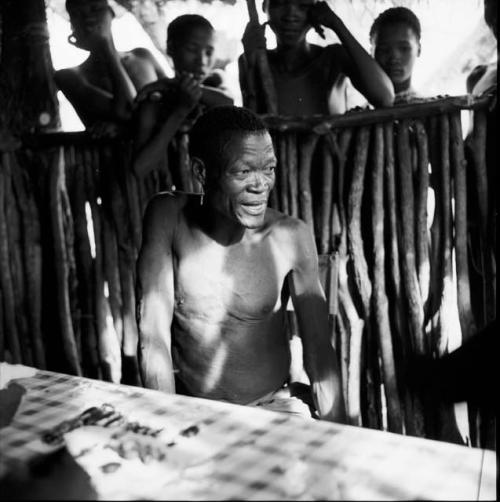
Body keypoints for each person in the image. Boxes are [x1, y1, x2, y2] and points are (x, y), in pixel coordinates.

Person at [136, 105, 346, 422]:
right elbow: (153, 338)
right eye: (243, 171)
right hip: (192, 410)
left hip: (273, 409)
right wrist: (168, 424)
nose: (260, 185)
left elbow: (318, 350)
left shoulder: (291, 237)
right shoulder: (169, 218)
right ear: (202, 172)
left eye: (269, 169)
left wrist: (339, 436)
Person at [239, 0, 394, 116]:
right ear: (265, 7)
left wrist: (337, 25)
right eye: (280, 2)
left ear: (316, 11)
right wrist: (251, 62)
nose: (290, 15)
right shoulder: (253, 60)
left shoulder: (334, 58)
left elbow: (385, 98)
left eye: (302, 5)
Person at [132, 15, 233, 180]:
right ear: (171, 48)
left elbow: (229, 103)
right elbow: (140, 168)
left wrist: (173, 83)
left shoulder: (216, 81)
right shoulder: (155, 102)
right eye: (192, 49)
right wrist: (180, 111)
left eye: (209, 52)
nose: (202, 60)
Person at [54, 0, 165, 138]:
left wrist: (123, 129)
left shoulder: (143, 56)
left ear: (111, 13)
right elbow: (128, 110)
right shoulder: (70, 77)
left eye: (95, 9)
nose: (88, 18)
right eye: (77, 15)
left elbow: (174, 105)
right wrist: (105, 47)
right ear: (72, 24)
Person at [369, 7, 422, 104]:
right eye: (384, 50)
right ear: (372, 52)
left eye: (404, 48)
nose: (393, 58)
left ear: (419, 49)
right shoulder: (359, 115)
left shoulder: (435, 112)